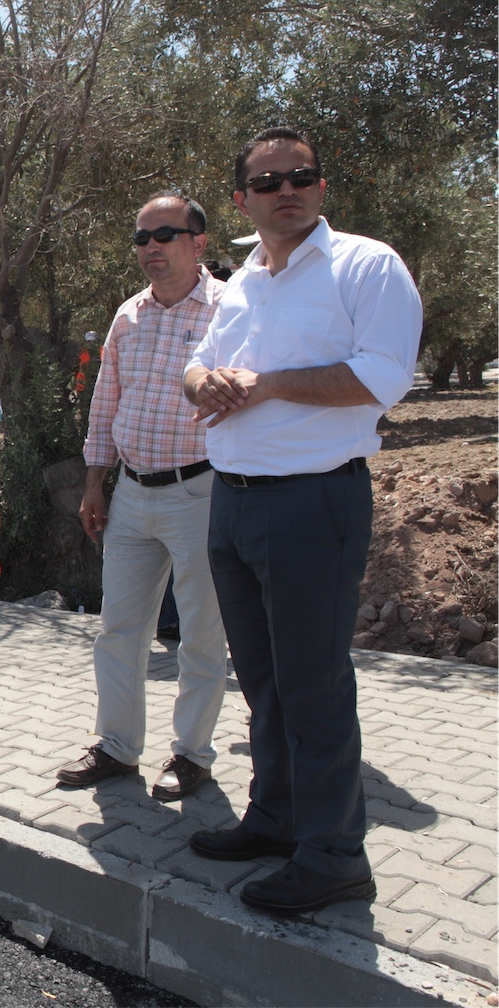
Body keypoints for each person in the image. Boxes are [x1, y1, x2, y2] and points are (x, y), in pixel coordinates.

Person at [183, 126, 421, 915]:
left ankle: (333, 855)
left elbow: (380, 378)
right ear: (242, 199)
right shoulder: (245, 277)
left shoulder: (364, 264)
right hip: (235, 499)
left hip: (313, 501)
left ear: (320, 186)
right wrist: (200, 380)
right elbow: (198, 361)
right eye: (268, 180)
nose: (287, 188)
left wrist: (267, 385)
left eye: (301, 176)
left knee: (314, 685)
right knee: (263, 680)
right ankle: (277, 817)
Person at [55, 193, 228, 801]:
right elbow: (106, 404)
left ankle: (192, 756)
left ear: (198, 242)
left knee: (201, 634)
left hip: (202, 490)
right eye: (142, 238)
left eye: (166, 235)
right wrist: (95, 484)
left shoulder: (230, 310)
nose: (152, 248)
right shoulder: (128, 315)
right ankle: (117, 747)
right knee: (119, 630)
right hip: (130, 492)